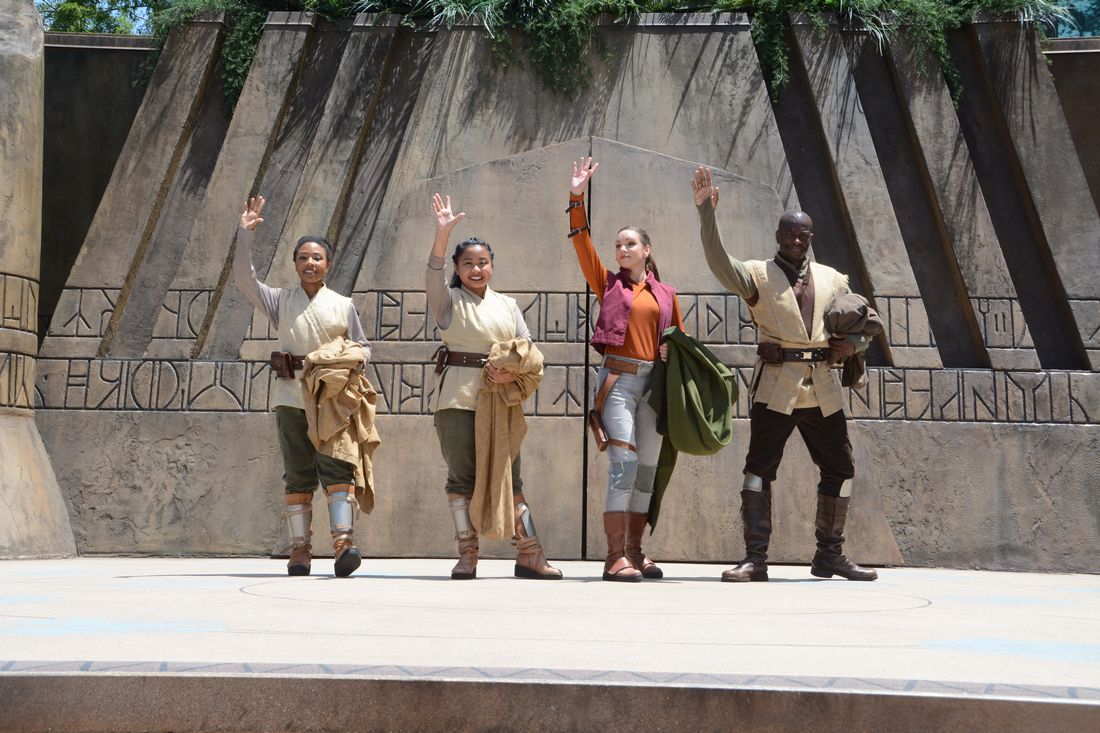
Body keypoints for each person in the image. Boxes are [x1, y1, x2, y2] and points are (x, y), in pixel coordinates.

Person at [690, 166, 878, 582]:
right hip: (776, 387)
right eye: (789, 233)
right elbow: (720, 262)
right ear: (778, 236)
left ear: (811, 238)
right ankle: (755, 558)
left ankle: (829, 554)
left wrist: (856, 347)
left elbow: (865, 323)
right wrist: (707, 214)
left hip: (823, 389)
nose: (796, 240)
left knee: (841, 469)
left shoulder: (833, 277)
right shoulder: (758, 275)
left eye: (803, 235)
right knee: (759, 469)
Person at [427, 193, 561, 580]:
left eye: (482, 262)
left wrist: (512, 374)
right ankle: (467, 554)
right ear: (457, 266)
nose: (476, 268)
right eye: (467, 262)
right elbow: (431, 275)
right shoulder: (447, 301)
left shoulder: (508, 305)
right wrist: (441, 234)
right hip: (457, 401)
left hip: (502, 403)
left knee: (511, 479)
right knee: (461, 480)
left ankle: (530, 553)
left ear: (492, 266)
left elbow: (529, 352)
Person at [235, 195, 372, 578]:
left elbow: (363, 348)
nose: (310, 263)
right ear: (295, 264)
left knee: (337, 469)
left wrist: (343, 362)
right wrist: (245, 236)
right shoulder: (280, 301)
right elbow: (244, 279)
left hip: (332, 400)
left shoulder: (343, 304)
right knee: (297, 474)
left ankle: (344, 544)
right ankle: (300, 551)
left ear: (328, 264)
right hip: (290, 397)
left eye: (317, 258)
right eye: (303, 257)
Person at [568, 157, 685, 582]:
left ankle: (636, 551)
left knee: (648, 470)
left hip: (653, 387)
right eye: (618, 245)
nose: (622, 250)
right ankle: (613, 555)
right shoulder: (608, 283)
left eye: (630, 244)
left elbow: (678, 345)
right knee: (624, 466)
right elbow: (581, 242)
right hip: (618, 382)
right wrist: (576, 195)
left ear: (647, 250)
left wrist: (674, 363)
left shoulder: (667, 293)